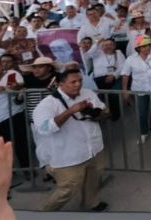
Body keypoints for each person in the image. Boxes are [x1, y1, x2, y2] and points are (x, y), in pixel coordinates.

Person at [32, 68, 109, 212]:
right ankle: (44, 211)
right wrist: (70, 111)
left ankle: (90, 203)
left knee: (93, 179)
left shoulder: (88, 93)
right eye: (73, 82)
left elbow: (104, 112)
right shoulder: (47, 104)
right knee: (68, 189)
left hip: (94, 149)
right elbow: (44, 128)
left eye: (79, 80)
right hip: (69, 156)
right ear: (60, 84)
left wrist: (95, 112)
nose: (78, 84)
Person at [90, 37, 125, 121]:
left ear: (114, 45)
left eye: (110, 44)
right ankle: (102, 115)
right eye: (105, 45)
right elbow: (88, 54)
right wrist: (97, 42)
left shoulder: (118, 53)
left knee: (113, 96)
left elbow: (123, 66)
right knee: (100, 98)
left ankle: (115, 115)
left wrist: (114, 75)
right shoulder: (97, 53)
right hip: (98, 79)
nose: (108, 46)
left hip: (113, 78)